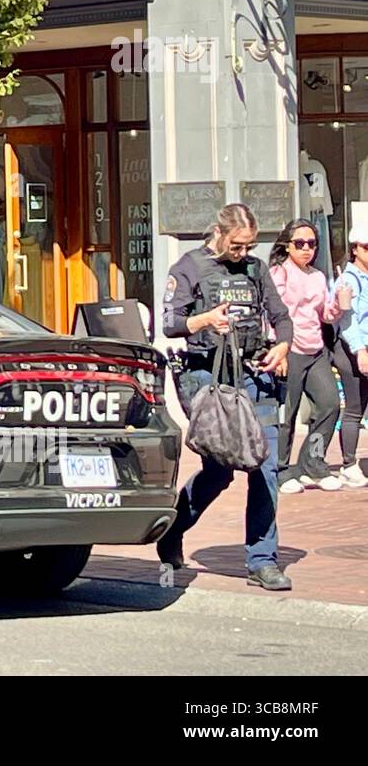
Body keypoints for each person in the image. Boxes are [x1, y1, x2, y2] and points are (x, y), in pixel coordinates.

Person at [157, 203, 293, 591]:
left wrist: (282, 347)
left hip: (254, 373)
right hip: (208, 377)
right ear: (219, 233)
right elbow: (170, 323)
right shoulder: (189, 267)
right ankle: (174, 527)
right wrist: (203, 320)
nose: (242, 253)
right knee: (220, 471)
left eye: (249, 245)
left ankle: (262, 561)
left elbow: (282, 318)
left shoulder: (256, 269)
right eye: (236, 245)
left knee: (265, 468)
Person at [269, 220, 347, 494]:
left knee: (330, 404)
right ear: (287, 245)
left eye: (312, 244)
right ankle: (280, 469)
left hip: (315, 350)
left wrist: (338, 302)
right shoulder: (279, 273)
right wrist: (278, 350)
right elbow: (272, 314)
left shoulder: (317, 276)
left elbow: (325, 314)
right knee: (286, 414)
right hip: (289, 350)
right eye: (300, 244)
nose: (306, 249)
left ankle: (311, 463)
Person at [330, 227, 368, 487]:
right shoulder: (348, 279)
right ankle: (348, 463)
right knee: (355, 407)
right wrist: (360, 351)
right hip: (353, 349)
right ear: (355, 248)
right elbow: (347, 320)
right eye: (367, 247)